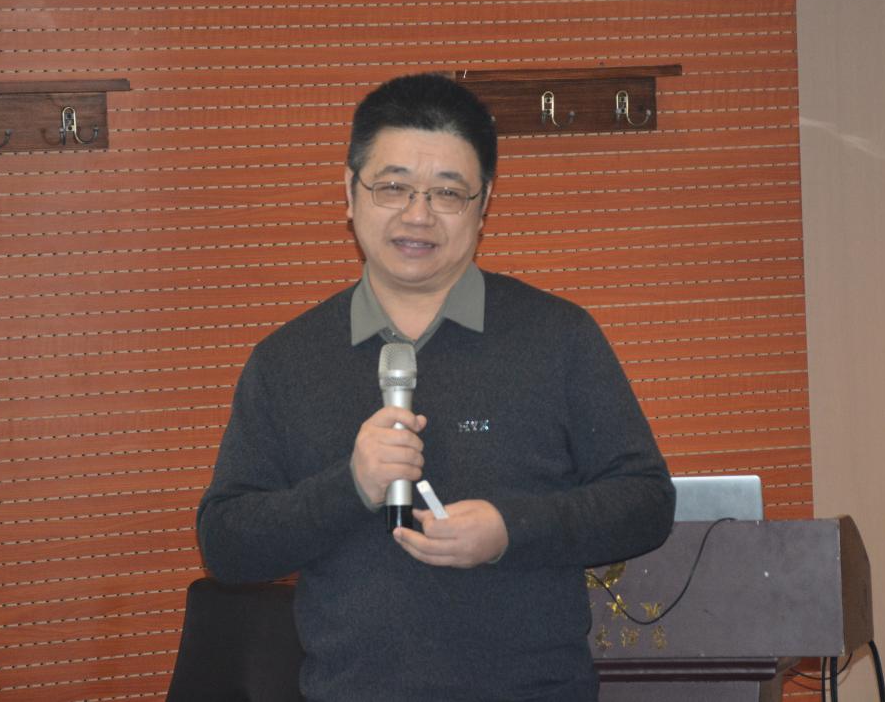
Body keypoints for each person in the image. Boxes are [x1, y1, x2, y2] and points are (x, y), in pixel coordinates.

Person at [196, 72, 674, 702]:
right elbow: (227, 544)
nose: (417, 215)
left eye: (447, 192)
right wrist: (350, 487)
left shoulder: (558, 337)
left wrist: (511, 529)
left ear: (484, 203)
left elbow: (645, 503)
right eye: (393, 186)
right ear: (350, 192)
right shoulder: (285, 362)